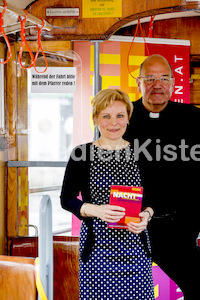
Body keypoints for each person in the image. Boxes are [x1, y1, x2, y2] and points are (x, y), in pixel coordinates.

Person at [60, 89, 155, 300]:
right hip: (97, 251)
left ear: (128, 118)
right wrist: (96, 210)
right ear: (95, 119)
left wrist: (145, 217)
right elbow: (66, 199)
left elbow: (154, 199)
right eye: (106, 116)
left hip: (135, 249)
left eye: (120, 115)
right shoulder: (81, 154)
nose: (114, 122)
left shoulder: (142, 153)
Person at [124, 54, 200, 299]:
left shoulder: (192, 117)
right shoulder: (122, 118)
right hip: (138, 222)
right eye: (150, 78)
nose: (157, 84)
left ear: (173, 82)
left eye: (164, 78)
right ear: (138, 83)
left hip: (183, 220)